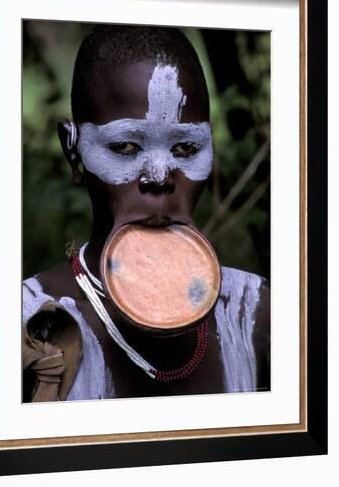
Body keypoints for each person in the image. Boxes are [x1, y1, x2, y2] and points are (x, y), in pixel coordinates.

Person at [22, 24, 270, 403]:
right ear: (73, 151)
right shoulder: (26, 322)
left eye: (186, 148)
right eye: (124, 146)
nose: (158, 177)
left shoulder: (258, 314)